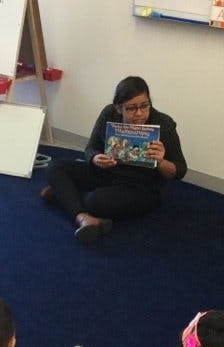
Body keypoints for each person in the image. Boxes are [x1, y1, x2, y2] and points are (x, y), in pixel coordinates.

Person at [41, 76, 187, 243]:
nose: (139, 113)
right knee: (54, 167)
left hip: (141, 187)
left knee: (95, 201)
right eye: (131, 108)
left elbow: (180, 171)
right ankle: (83, 217)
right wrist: (95, 158)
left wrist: (160, 161)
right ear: (118, 108)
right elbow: (90, 149)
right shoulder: (109, 113)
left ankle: (65, 194)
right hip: (107, 174)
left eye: (145, 106)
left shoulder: (164, 124)